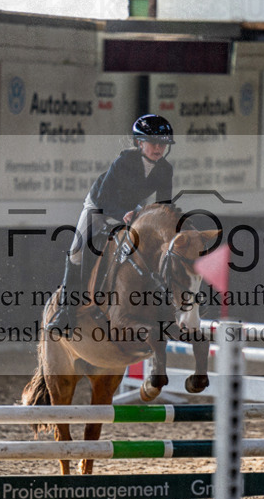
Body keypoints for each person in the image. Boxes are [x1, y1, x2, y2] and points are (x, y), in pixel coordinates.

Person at [46, 114, 175, 336]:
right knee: (76, 253)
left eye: (163, 144)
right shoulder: (123, 162)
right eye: (154, 142)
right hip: (99, 206)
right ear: (139, 142)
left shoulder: (165, 169)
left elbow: (163, 206)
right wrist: (121, 214)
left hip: (131, 210)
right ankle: (65, 312)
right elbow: (105, 200)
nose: (158, 148)